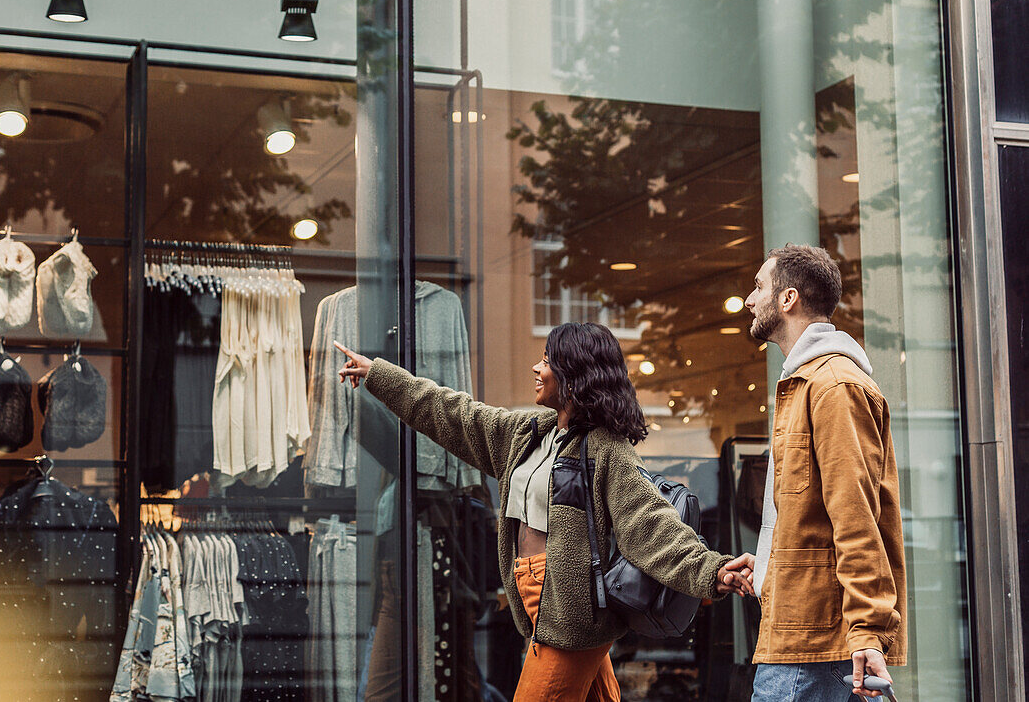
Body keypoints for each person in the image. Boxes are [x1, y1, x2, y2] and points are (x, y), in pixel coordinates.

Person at [334, 322, 755, 702]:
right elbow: (450, 412)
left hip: (570, 616)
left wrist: (712, 570)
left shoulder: (605, 448)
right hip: (534, 604)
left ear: (574, 375)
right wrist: (378, 375)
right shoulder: (526, 434)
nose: (537, 368)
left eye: (547, 361)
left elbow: (648, 523)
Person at [744, 245, 907, 701]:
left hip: (813, 637)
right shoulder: (804, 382)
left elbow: (856, 516)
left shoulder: (834, 385)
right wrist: (767, 568)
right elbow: (808, 515)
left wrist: (867, 630)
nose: (749, 300)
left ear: (788, 298)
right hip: (798, 623)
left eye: (758, 287)